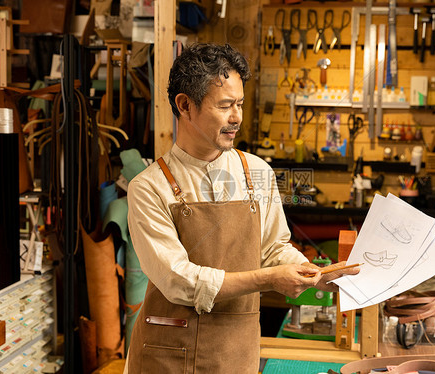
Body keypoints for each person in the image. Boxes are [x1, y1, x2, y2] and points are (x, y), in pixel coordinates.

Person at [124, 43, 359, 373]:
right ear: (185, 105)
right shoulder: (149, 187)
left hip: (236, 351)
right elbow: (180, 280)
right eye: (224, 106)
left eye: (240, 104)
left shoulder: (257, 172)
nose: (236, 118)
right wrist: (268, 279)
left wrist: (316, 275)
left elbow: (273, 247)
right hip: (168, 356)